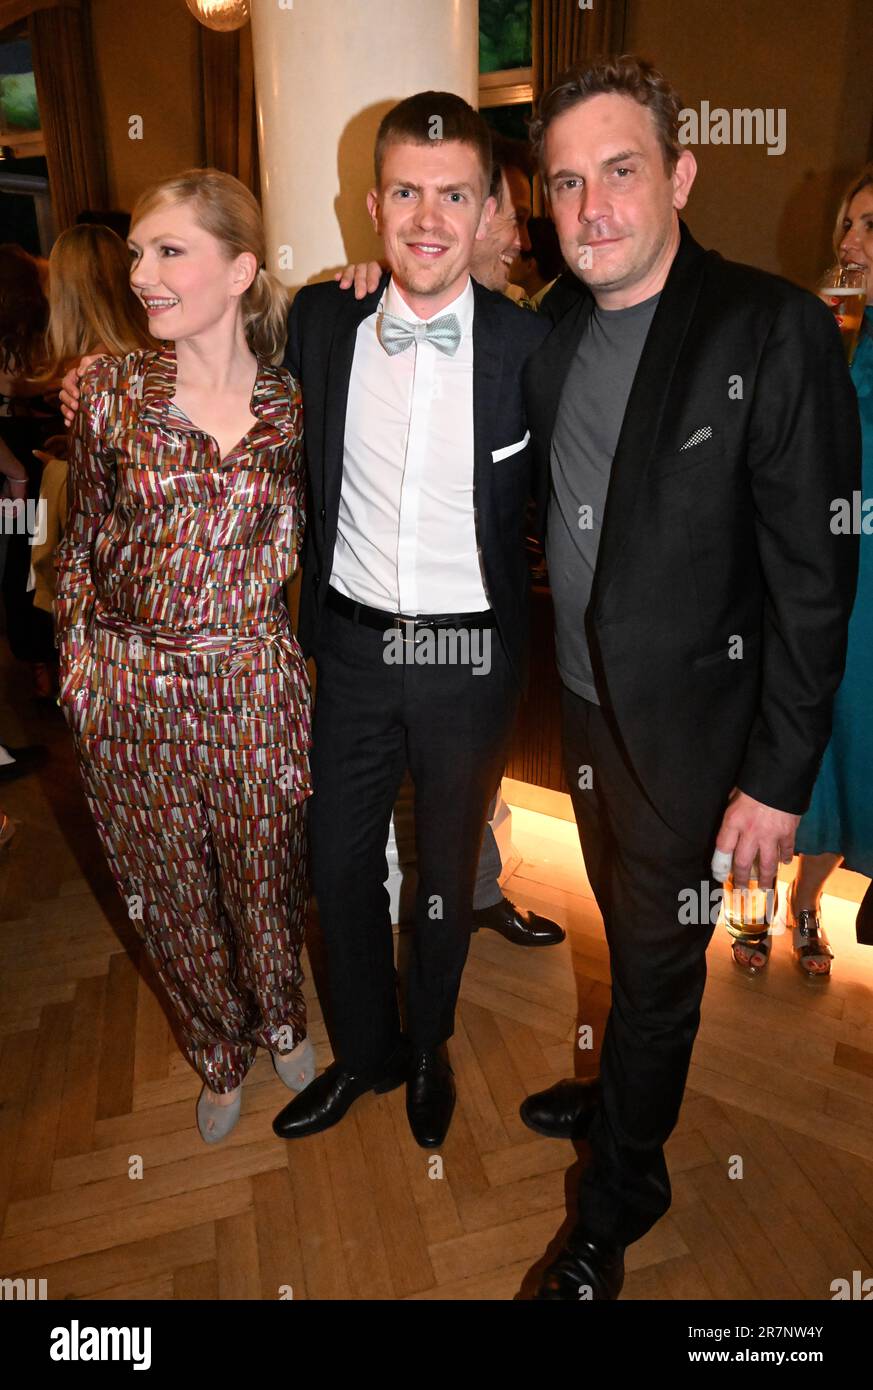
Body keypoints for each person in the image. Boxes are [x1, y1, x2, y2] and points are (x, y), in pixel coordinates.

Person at [514, 55, 860, 1299]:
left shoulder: (770, 327)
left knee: (660, 972)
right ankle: (615, 1091)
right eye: (567, 181)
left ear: (681, 175)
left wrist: (777, 782)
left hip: (701, 740)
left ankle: (617, 1204)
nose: (593, 206)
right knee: (622, 931)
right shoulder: (549, 323)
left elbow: (816, 580)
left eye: (621, 171)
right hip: (586, 716)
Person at [272, 93, 551, 1152]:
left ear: (488, 209)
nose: (428, 220)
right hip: (347, 642)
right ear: (371, 202)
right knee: (336, 863)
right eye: (405, 193)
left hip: (467, 656)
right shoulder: (319, 319)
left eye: (454, 196)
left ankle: (429, 1041)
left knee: (444, 868)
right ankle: (367, 1053)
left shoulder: (534, 347)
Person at [55, 168, 314, 1144]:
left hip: (250, 681)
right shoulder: (109, 397)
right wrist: (83, 675)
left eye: (170, 252)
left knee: (264, 872)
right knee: (166, 888)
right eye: (137, 254)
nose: (143, 275)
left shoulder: (298, 402)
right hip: (130, 686)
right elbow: (80, 545)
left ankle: (282, 1014)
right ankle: (217, 1050)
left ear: (241, 268)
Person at [753, 162, 873, 971]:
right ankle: (751, 907)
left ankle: (805, 908)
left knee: (849, 747)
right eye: (848, 225)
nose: (851, 243)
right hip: (808, 566)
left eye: (870, 228)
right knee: (789, 739)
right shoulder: (820, 322)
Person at [0, 244, 61, 697]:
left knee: (21, 558)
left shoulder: (19, 334)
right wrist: (17, 473)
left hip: (16, 469)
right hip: (12, 474)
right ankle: (39, 661)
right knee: (21, 557)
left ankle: (38, 662)